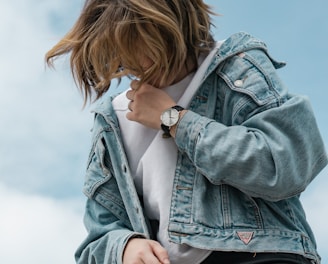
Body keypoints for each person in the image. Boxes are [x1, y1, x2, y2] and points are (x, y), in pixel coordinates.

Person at [45, 0, 327, 263]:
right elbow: (99, 233)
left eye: (144, 46)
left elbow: (287, 163)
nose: (136, 66)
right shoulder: (114, 119)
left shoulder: (235, 68)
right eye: (123, 53)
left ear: (175, 24)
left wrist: (174, 120)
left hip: (258, 253)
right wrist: (126, 246)